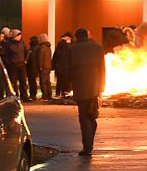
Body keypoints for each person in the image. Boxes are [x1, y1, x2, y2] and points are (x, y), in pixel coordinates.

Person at [60, 28, 106, 156]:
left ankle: (87, 147)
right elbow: (102, 69)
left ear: (76, 36)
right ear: (87, 35)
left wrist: (72, 80)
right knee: (92, 116)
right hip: (95, 88)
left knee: (84, 118)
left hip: (80, 88)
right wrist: (101, 88)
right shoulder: (98, 47)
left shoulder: (71, 49)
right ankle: (89, 142)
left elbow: (63, 68)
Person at [6, 29, 30, 101]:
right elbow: (6, 55)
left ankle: (24, 97)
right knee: (14, 82)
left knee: (23, 82)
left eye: (20, 35)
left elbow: (27, 52)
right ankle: (15, 97)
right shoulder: (9, 44)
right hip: (13, 65)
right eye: (18, 35)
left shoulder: (23, 43)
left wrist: (25, 60)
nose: (19, 37)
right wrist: (9, 63)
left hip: (22, 65)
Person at [53, 32, 73, 97]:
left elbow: (55, 56)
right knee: (65, 82)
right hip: (64, 67)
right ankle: (64, 93)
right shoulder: (67, 46)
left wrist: (54, 65)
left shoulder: (60, 46)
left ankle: (60, 93)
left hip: (60, 67)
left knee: (60, 81)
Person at [37, 33, 53, 100]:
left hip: (43, 67)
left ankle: (45, 95)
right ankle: (49, 95)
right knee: (47, 81)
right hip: (48, 66)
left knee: (43, 82)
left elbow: (40, 58)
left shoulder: (42, 48)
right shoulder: (48, 47)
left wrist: (40, 66)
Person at [27, 36, 40, 101]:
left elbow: (32, 57)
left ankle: (33, 94)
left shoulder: (35, 48)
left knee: (32, 81)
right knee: (31, 81)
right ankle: (32, 94)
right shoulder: (33, 48)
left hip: (33, 66)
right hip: (32, 66)